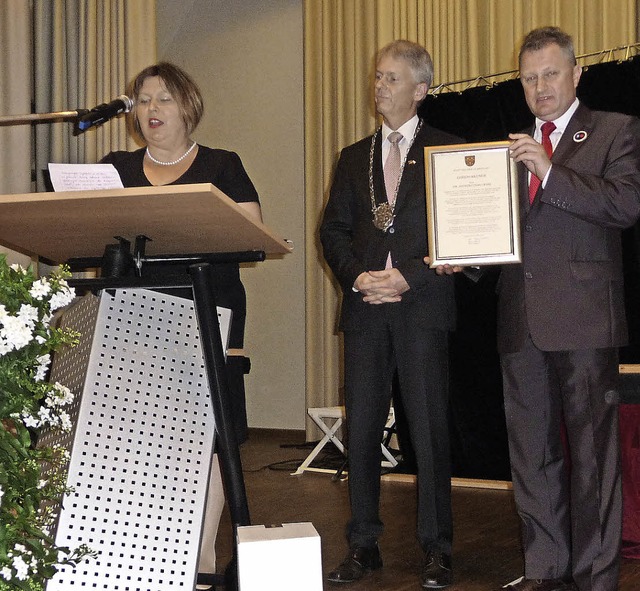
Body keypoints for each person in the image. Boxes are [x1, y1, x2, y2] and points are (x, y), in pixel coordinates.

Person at [100, 62, 262, 585]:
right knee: (141, 431)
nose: (151, 109)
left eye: (163, 99)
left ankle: (202, 549)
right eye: (143, 100)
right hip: (136, 313)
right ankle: (143, 543)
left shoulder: (221, 164)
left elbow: (252, 233)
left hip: (207, 307)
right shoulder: (115, 167)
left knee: (210, 432)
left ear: (188, 106)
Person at [495, 27, 640, 591]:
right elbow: (502, 234)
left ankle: (596, 577)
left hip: (584, 322)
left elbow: (624, 203)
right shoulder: (507, 147)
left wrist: (549, 171)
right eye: (529, 78)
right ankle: (545, 570)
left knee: (593, 461)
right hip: (519, 322)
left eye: (550, 74)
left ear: (576, 75)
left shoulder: (614, 130)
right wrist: (463, 258)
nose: (539, 87)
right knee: (532, 457)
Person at [319, 39, 462, 589]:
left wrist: (409, 275)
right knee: (360, 432)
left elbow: (460, 235)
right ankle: (362, 543)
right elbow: (330, 231)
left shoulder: (449, 151)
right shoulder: (353, 157)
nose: (379, 87)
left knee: (428, 431)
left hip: (422, 306)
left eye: (392, 79)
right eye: (377, 77)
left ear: (422, 89)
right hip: (365, 311)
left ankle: (437, 547)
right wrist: (358, 277)